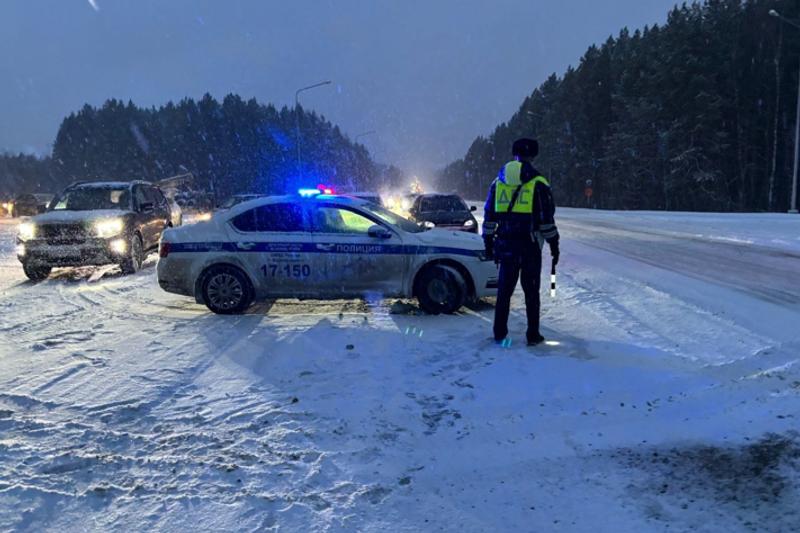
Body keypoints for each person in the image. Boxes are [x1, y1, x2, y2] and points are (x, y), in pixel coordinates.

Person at [482, 138, 559, 346]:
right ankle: (532, 335)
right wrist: (554, 244)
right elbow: (546, 220)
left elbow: (489, 217)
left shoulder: (498, 182)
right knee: (531, 292)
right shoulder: (538, 182)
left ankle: (499, 332)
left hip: (505, 246)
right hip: (529, 247)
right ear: (533, 155)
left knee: (504, 293)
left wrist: (488, 242)